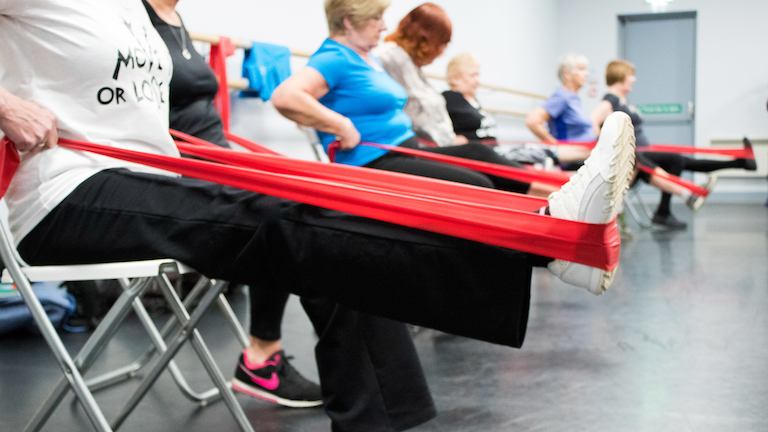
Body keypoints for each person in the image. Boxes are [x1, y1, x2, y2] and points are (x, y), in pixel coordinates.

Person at [1, 0, 635, 430]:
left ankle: (385, 415)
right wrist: (6, 105)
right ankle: (548, 244)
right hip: (61, 196)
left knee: (331, 229)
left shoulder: (133, 12)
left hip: (151, 176)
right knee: (280, 219)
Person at [142, 0, 321, 407]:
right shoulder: (133, 16)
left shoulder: (175, 18)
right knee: (283, 212)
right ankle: (262, 359)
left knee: (313, 202)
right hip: (184, 171)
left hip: (219, 160)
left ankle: (342, 360)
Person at [272, 1, 565, 199]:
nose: (384, 26)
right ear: (349, 22)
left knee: (480, 155)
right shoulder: (334, 58)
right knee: (477, 186)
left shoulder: (365, 58)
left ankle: (562, 201)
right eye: (376, 18)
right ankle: (551, 229)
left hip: (406, 148)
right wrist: (340, 125)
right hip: (373, 162)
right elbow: (286, 96)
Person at [592, 60, 756, 228]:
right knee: (677, 160)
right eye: (630, 75)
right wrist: (610, 150)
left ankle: (740, 163)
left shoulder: (622, 100)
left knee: (681, 161)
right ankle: (675, 203)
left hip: (643, 154)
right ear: (620, 76)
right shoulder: (610, 100)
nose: (634, 79)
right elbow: (594, 121)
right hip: (635, 158)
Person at [442, 52, 592, 166]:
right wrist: (450, 140)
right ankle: (592, 155)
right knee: (541, 151)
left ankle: (592, 154)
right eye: (473, 75)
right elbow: (437, 128)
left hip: (495, 150)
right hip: (485, 154)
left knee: (533, 149)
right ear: (456, 78)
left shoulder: (473, 101)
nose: (477, 81)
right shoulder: (450, 98)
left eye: (478, 75)